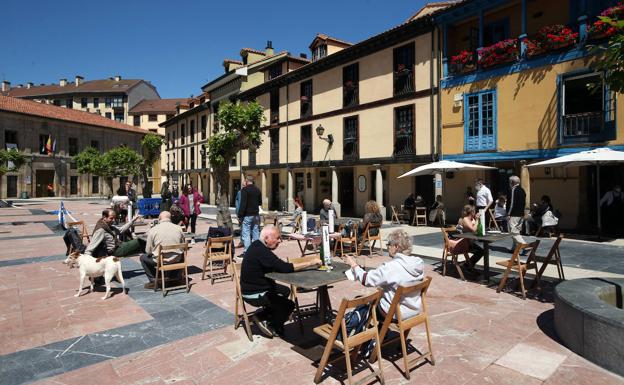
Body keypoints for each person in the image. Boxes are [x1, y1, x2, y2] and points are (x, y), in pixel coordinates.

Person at [240, 225, 319, 337]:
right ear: (267, 238)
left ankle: (266, 314)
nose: (279, 241)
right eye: (277, 238)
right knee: (289, 305)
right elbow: (284, 267)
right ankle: (271, 323)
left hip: (256, 286)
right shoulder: (261, 251)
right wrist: (311, 263)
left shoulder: (257, 246)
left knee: (285, 291)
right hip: (253, 293)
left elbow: (275, 264)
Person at [344, 229, 424, 321]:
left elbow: (366, 280)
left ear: (396, 247)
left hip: (395, 313)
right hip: (413, 310)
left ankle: (355, 328)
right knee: (378, 296)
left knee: (363, 302)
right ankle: (381, 331)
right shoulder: (418, 263)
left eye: (389, 244)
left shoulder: (391, 267)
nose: (387, 247)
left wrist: (354, 265)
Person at [140, 211, 186, 289]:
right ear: (170, 218)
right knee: (182, 255)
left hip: (160, 260)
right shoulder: (179, 228)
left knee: (143, 258)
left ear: (159, 219)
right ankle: (174, 278)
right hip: (176, 259)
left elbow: (148, 251)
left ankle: (154, 280)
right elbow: (183, 246)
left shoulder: (153, 230)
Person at [455, 205, 484, 272]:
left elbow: (478, 228)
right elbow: (473, 230)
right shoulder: (465, 219)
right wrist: (477, 219)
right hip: (464, 243)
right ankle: (468, 265)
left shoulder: (472, 219)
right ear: (471, 212)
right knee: (481, 251)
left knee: (482, 251)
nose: (475, 212)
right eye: (474, 211)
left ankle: (469, 265)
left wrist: (478, 220)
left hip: (470, 241)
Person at [238, 175, 262, 252]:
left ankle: (247, 251)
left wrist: (240, 215)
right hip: (256, 214)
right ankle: (257, 250)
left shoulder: (244, 190)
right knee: (256, 233)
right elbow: (260, 203)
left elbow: (243, 204)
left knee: (246, 233)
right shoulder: (257, 190)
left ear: (247, 181)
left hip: (247, 215)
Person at [507, 175, 526, 252]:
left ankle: (525, 246)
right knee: (516, 231)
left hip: (514, 214)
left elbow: (512, 203)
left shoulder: (513, 190)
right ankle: (514, 248)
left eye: (509, 181)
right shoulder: (522, 190)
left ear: (512, 182)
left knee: (513, 232)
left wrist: (508, 213)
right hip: (521, 214)